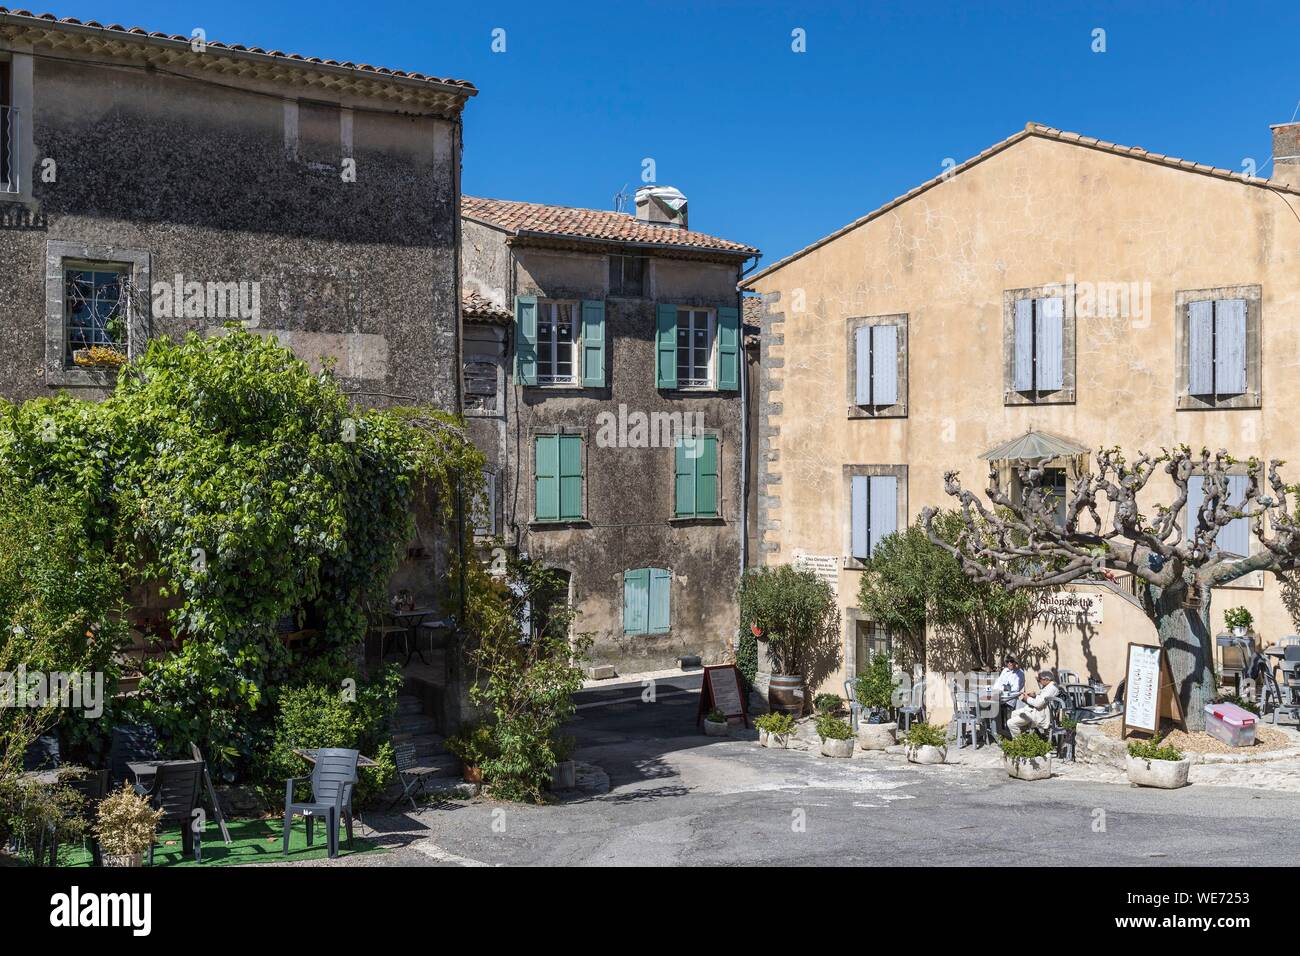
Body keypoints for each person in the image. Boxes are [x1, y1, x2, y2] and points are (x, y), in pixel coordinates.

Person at [1007, 670, 1060, 738]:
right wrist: (1034, 696)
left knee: (1010, 723)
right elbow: (1043, 699)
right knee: (1014, 713)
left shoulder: (1051, 688)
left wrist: (1027, 699)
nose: (1039, 681)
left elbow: (1038, 704)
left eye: (1039, 680)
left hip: (1040, 714)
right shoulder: (1050, 686)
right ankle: (1023, 734)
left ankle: (1019, 742)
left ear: (1046, 679)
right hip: (1037, 710)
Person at [992, 656, 1024, 736]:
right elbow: (997, 684)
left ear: (1015, 662)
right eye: (1007, 661)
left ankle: (1006, 733)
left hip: (1010, 698)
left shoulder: (1019, 673)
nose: (1009, 663)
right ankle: (996, 731)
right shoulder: (1005, 670)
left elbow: (1015, 688)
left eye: (1011, 661)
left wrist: (1004, 687)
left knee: (1004, 709)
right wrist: (1002, 688)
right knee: (990, 706)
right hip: (1000, 696)